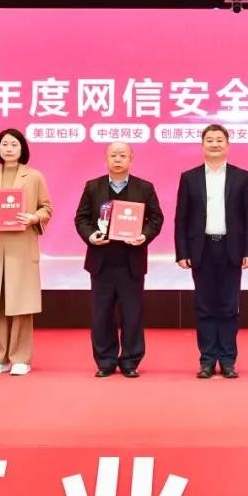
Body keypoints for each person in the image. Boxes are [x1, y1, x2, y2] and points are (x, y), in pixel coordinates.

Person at [74, 142, 163, 378]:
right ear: (106, 159)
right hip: (101, 262)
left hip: (131, 262)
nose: (117, 159)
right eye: (113, 155)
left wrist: (144, 236)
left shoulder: (144, 188)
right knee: (101, 314)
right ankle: (105, 361)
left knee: (132, 314)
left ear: (131, 159)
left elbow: (156, 219)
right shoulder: (93, 187)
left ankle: (130, 361)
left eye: (122, 155)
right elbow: (81, 218)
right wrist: (91, 236)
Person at [175, 124, 248, 379]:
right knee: (205, 306)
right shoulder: (189, 177)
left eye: (219, 140)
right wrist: (182, 252)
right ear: (202, 145)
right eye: (209, 140)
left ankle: (228, 360)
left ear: (227, 145)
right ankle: (208, 360)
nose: (214, 144)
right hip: (202, 249)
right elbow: (181, 218)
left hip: (231, 248)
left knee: (229, 306)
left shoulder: (241, 176)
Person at [0, 128, 52, 376]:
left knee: (21, 302)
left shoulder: (34, 176)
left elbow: (46, 208)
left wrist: (34, 217)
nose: (8, 148)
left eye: (14, 144)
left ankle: (21, 358)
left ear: (22, 148)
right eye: (4, 144)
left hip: (22, 244)